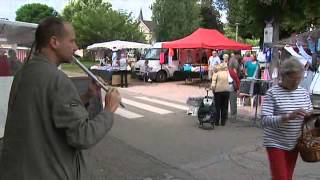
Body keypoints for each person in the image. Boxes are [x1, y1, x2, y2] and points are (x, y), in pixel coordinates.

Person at [0, 17, 121, 180]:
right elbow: (83, 136)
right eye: (71, 41)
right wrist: (109, 110)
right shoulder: (57, 79)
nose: (76, 47)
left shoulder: (25, 72)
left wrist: (87, 95)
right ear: (54, 42)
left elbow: (51, 109)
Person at [261, 57, 313, 180]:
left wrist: (310, 116)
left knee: (287, 177)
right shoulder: (272, 93)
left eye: (298, 79)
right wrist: (287, 117)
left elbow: (309, 111)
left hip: (294, 142)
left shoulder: (303, 92)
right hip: (275, 142)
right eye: (293, 79)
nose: (296, 83)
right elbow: (264, 120)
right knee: (281, 178)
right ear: (283, 76)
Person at [211, 54, 230, 126]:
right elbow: (230, 82)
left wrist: (213, 90)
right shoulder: (228, 73)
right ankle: (223, 122)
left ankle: (216, 121)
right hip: (226, 91)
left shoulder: (216, 73)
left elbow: (213, 84)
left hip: (218, 91)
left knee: (217, 107)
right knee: (224, 107)